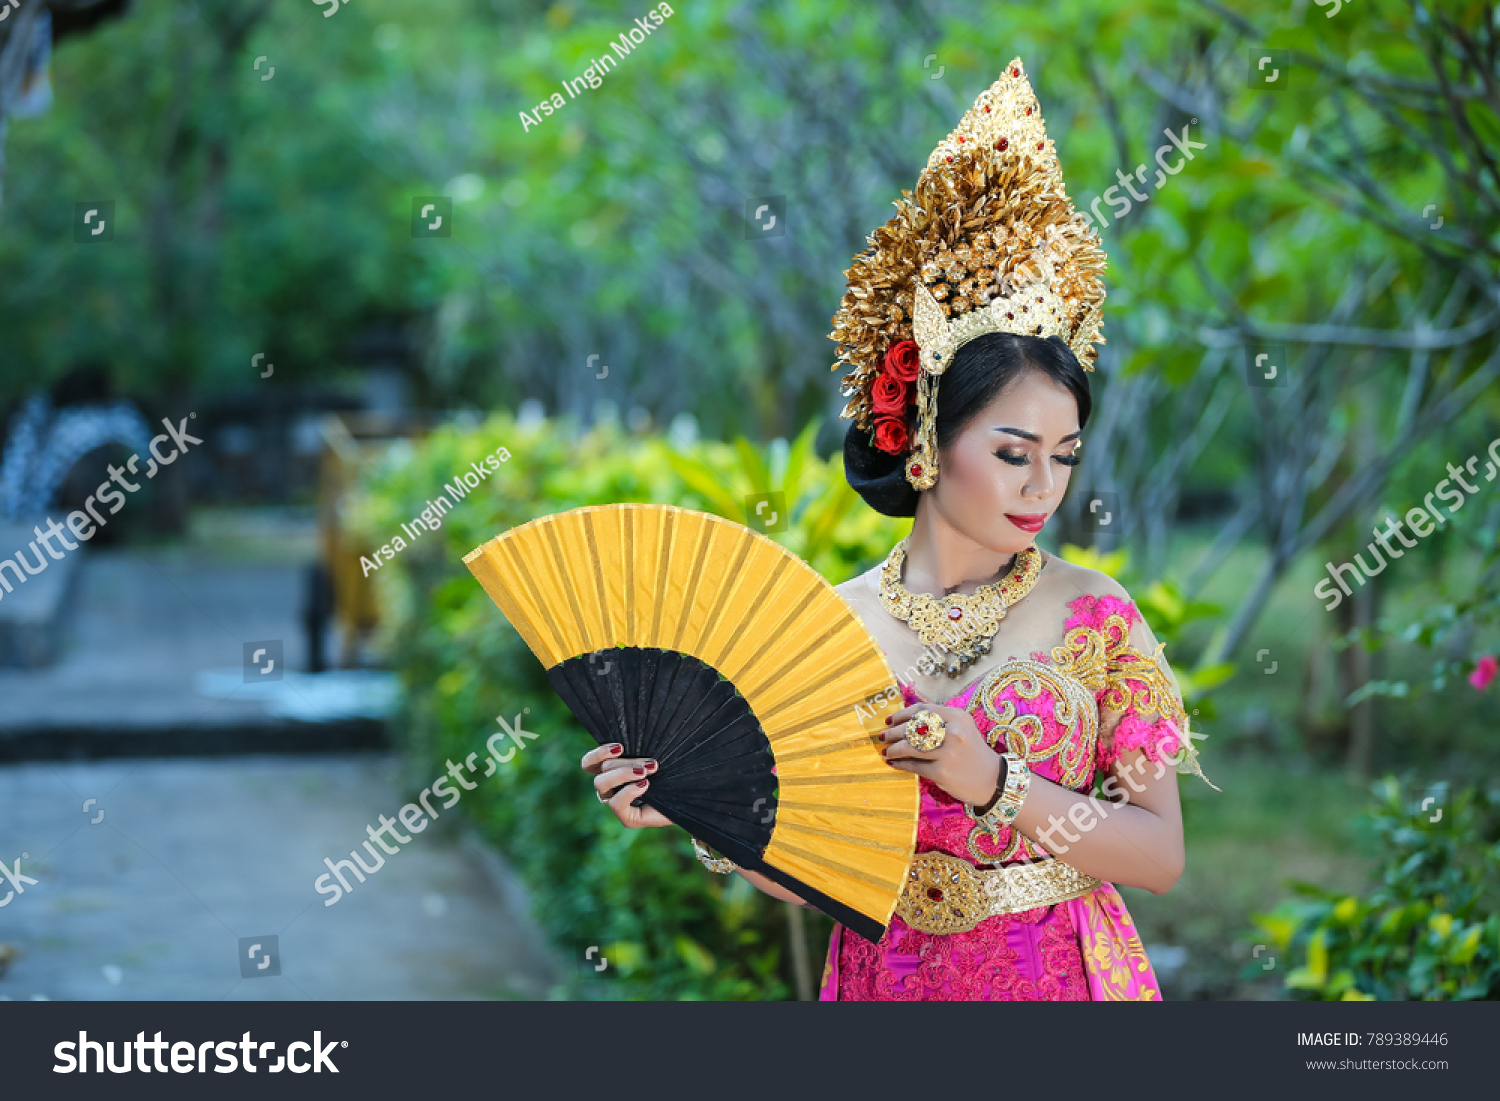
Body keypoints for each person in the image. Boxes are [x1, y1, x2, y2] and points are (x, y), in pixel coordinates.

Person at [580, 57, 1214, 1000]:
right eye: (1012, 452)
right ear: (924, 442)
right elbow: (813, 876)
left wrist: (992, 781)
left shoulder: (1096, 615)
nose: (1044, 485)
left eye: (1066, 453)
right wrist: (687, 806)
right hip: (887, 980)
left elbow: (1160, 855)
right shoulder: (832, 626)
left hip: (1065, 985)